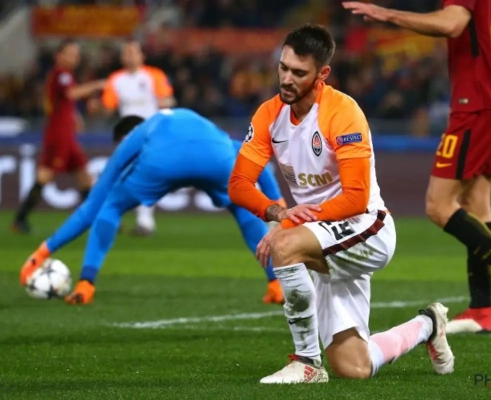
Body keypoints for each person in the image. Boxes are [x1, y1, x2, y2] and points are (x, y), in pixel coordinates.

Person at [228, 23, 454, 384]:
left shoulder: (342, 112)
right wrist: (279, 212)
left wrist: (290, 226)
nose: (286, 79)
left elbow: (355, 197)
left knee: (284, 245)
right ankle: (428, 324)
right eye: (283, 68)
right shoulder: (269, 115)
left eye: (298, 73)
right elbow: (239, 184)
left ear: (322, 74)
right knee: (354, 368)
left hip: (367, 228)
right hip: (319, 237)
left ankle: (307, 363)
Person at [342, 1, 491, 333]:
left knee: (439, 205)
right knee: (476, 201)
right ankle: (481, 310)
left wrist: (389, 15)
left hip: (476, 104)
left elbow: (452, 23)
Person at [19, 109, 286, 305]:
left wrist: (41, 254)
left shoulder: (138, 135)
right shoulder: (191, 120)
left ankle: (85, 284)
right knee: (240, 207)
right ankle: (275, 285)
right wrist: (278, 204)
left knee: (110, 206)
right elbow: (254, 159)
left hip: (162, 163)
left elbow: (90, 209)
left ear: (124, 138)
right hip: (217, 157)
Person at [11, 38, 105, 234]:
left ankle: (94, 220)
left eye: (76, 55)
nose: (73, 58)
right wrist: (97, 85)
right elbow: (71, 94)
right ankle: (20, 219)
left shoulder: (64, 75)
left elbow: (63, 101)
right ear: (58, 56)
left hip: (66, 134)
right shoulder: (61, 74)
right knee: (46, 175)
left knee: (84, 176)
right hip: (58, 135)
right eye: (69, 54)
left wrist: (75, 117)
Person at [99, 39, 176, 236]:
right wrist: (97, 107)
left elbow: (168, 100)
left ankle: (144, 221)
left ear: (142, 56)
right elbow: (107, 108)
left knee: (144, 175)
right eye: (126, 52)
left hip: (151, 133)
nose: (130, 56)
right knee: (125, 176)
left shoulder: (154, 75)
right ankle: (123, 218)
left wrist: (166, 104)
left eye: (133, 52)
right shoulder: (115, 80)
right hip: (127, 136)